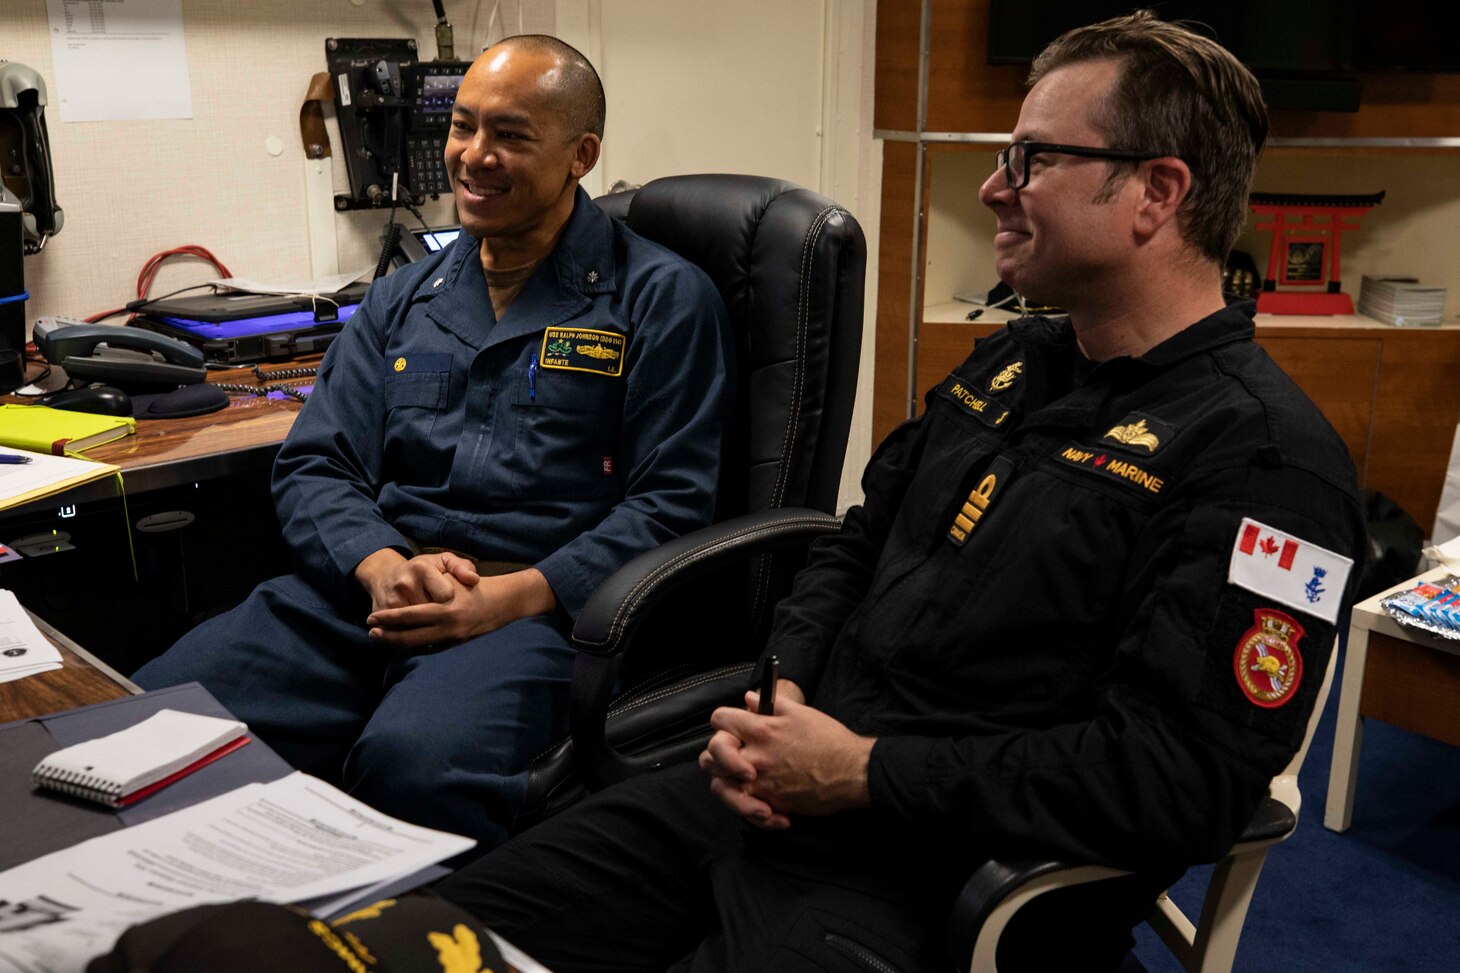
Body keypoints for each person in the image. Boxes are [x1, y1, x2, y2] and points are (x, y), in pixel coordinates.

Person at [432, 11, 1367, 972]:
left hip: (931, 879)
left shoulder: (1267, 464)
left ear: (1156, 193)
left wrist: (864, 771)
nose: (994, 187)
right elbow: (855, 540)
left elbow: (1181, 779)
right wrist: (781, 684)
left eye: (1033, 159)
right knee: (430, 936)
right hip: (772, 799)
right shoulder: (1014, 362)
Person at [134, 35, 734, 852]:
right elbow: (317, 459)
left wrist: (507, 597)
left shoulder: (661, 300)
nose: (473, 157)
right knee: (147, 718)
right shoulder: (402, 296)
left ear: (580, 156)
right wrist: (379, 565)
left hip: (529, 618)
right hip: (375, 595)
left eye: (511, 135)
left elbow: (672, 506)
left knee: (412, 767)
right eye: (462, 127)